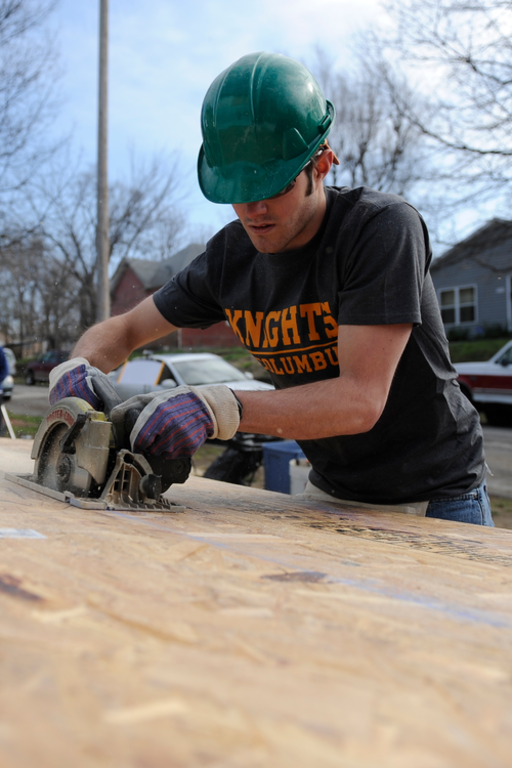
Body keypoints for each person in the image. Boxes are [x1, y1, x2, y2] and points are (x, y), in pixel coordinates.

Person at [50, 52, 492, 526]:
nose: (253, 209)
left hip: (435, 498)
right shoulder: (229, 259)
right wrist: (78, 367)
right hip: (329, 489)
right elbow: (125, 328)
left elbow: (360, 399)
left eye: (272, 186)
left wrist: (215, 405)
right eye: (239, 188)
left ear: (321, 164)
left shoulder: (379, 230)